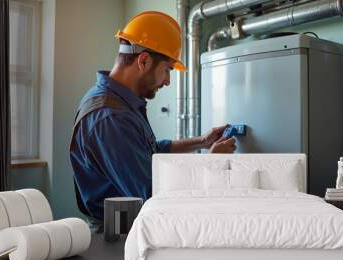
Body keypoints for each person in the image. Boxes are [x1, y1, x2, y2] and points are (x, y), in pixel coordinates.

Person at [69, 11, 235, 229]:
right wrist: (211, 163)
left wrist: (202, 141)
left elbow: (152, 152)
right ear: (143, 60)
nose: (167, 81)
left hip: (135, 226)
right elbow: (153, 195)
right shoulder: (110, 118)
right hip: (122, 234)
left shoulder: (119, 103)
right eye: (167, 70)